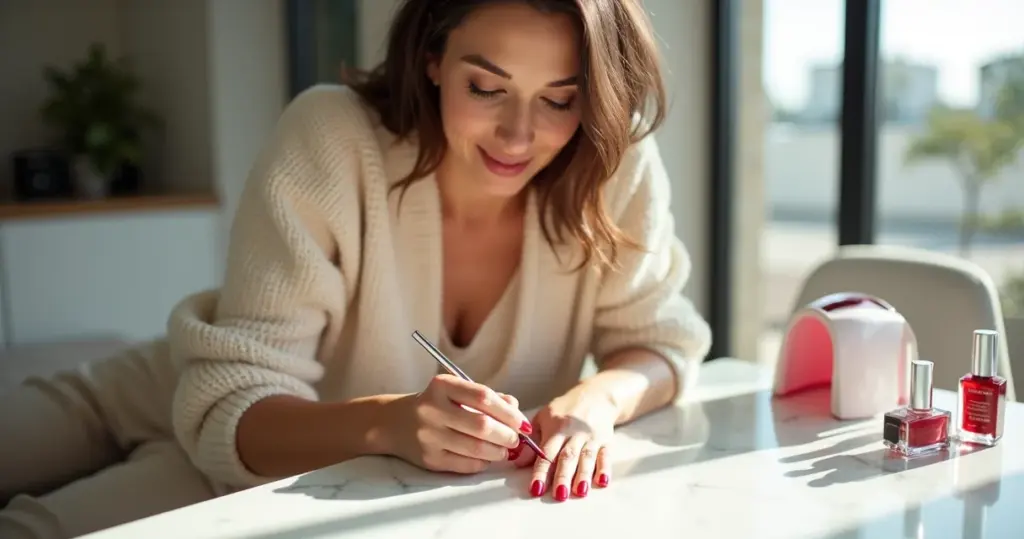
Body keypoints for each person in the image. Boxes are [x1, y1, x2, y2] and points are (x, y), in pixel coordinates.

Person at [0, 0, 711, 536]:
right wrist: (388, 424)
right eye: (486, 88)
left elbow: (661, 340)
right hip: (196, 397)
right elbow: (230, 405)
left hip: (272, 468)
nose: (520, 134)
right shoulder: (333, 137)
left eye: (560, 99)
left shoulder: (610, 167)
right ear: (433, 57)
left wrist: (599, 399)